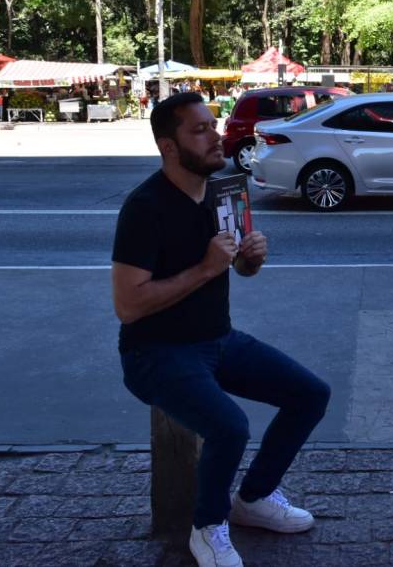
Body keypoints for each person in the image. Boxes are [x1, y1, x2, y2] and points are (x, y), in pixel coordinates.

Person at [111, 92, 331, 567]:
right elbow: (128, 305)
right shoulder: (145, 207)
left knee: (310, 394)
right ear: (169, 147)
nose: (216, 136)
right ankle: (208, 528)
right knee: (230, 427)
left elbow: (238, 268)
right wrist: (207, 268)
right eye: (200, 130)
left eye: (213, 125)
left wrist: (250, 259)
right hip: (155, 352)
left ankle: (254, 499)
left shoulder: (222, 193)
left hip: (218, 339)